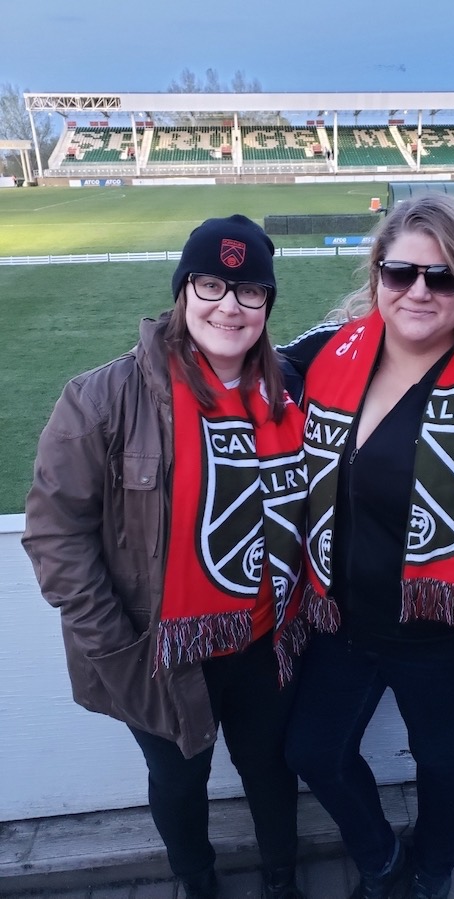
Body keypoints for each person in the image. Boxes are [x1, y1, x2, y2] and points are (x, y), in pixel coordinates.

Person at [281, 195, 454, 899]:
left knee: (443, 761)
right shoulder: (331, 349)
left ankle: (433, 868)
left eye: (440, 276)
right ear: (376, 273)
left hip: (444, 637)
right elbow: (254, 362)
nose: (417, 290)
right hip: (338, 621)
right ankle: (381, 860)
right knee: (313, 750)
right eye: (399, 271)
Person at [22, 216, 309, 899]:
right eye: (211, 283)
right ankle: (198, 884)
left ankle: (282, 881)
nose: (228, 306)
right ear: (183, 291)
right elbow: (54, 533)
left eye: (250, 291)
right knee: (180, 777)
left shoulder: (289, 388)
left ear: (268, 306)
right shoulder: (102, 397)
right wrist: (116, 648)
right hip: (159, 649)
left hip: (267, 638)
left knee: (271, 766)